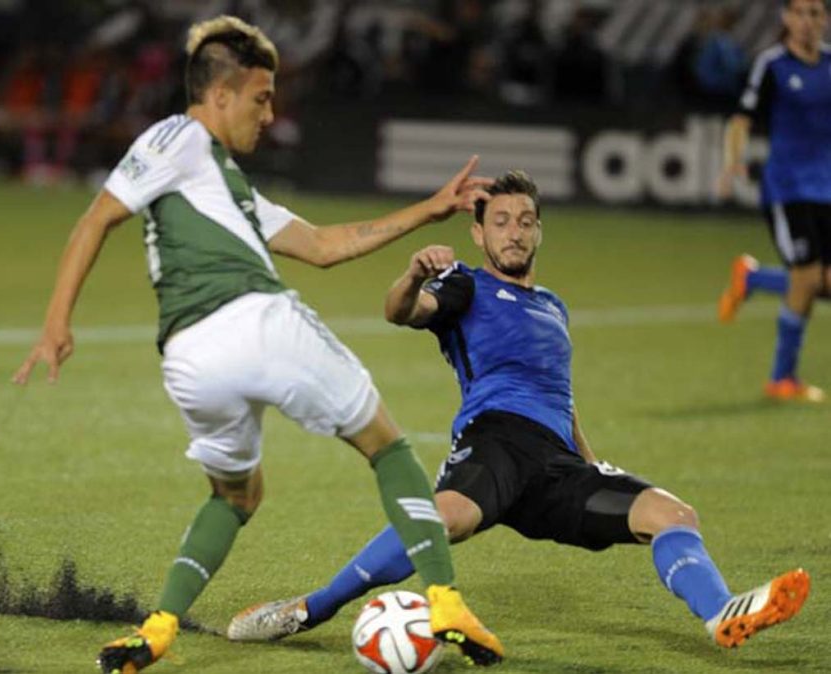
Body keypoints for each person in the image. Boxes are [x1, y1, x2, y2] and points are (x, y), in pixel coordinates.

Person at [12, 15, 503, 673]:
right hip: (255, 322)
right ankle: (443, 601)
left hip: (190, 360)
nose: (270, 114)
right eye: (260, 97)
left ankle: (156, 629)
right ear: (218, 95)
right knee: (387, 447)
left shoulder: (226, 189)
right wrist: (54, 322)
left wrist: (428, 208)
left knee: (236, 495)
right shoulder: (178, 136)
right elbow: (98, 215)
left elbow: (326, 246)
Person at [227, 170, 811, 655]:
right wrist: (412, 275)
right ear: (479, 234)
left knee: (673, 515)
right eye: (501, 222)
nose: (514, 233)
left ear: (539, 233)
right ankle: (309, 609)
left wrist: (589, 461)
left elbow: (561, 393)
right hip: (496, 444)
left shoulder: (553, 306)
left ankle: (720, 614)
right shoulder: (466, 286)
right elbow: (401, 312)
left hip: (558, 465)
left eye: (526, 222)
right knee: (440, 521)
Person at [716, 0, 831, 403]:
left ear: (826, 20)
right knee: (806, 278)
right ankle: (782, 378)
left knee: (822, 283)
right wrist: (733, 162)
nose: (806, 22)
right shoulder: (773, 64)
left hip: (827, 190)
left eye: (815, 13)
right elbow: (741, 119)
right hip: (788, 189)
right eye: (799, 13)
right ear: (786, 19)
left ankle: (752, 278)